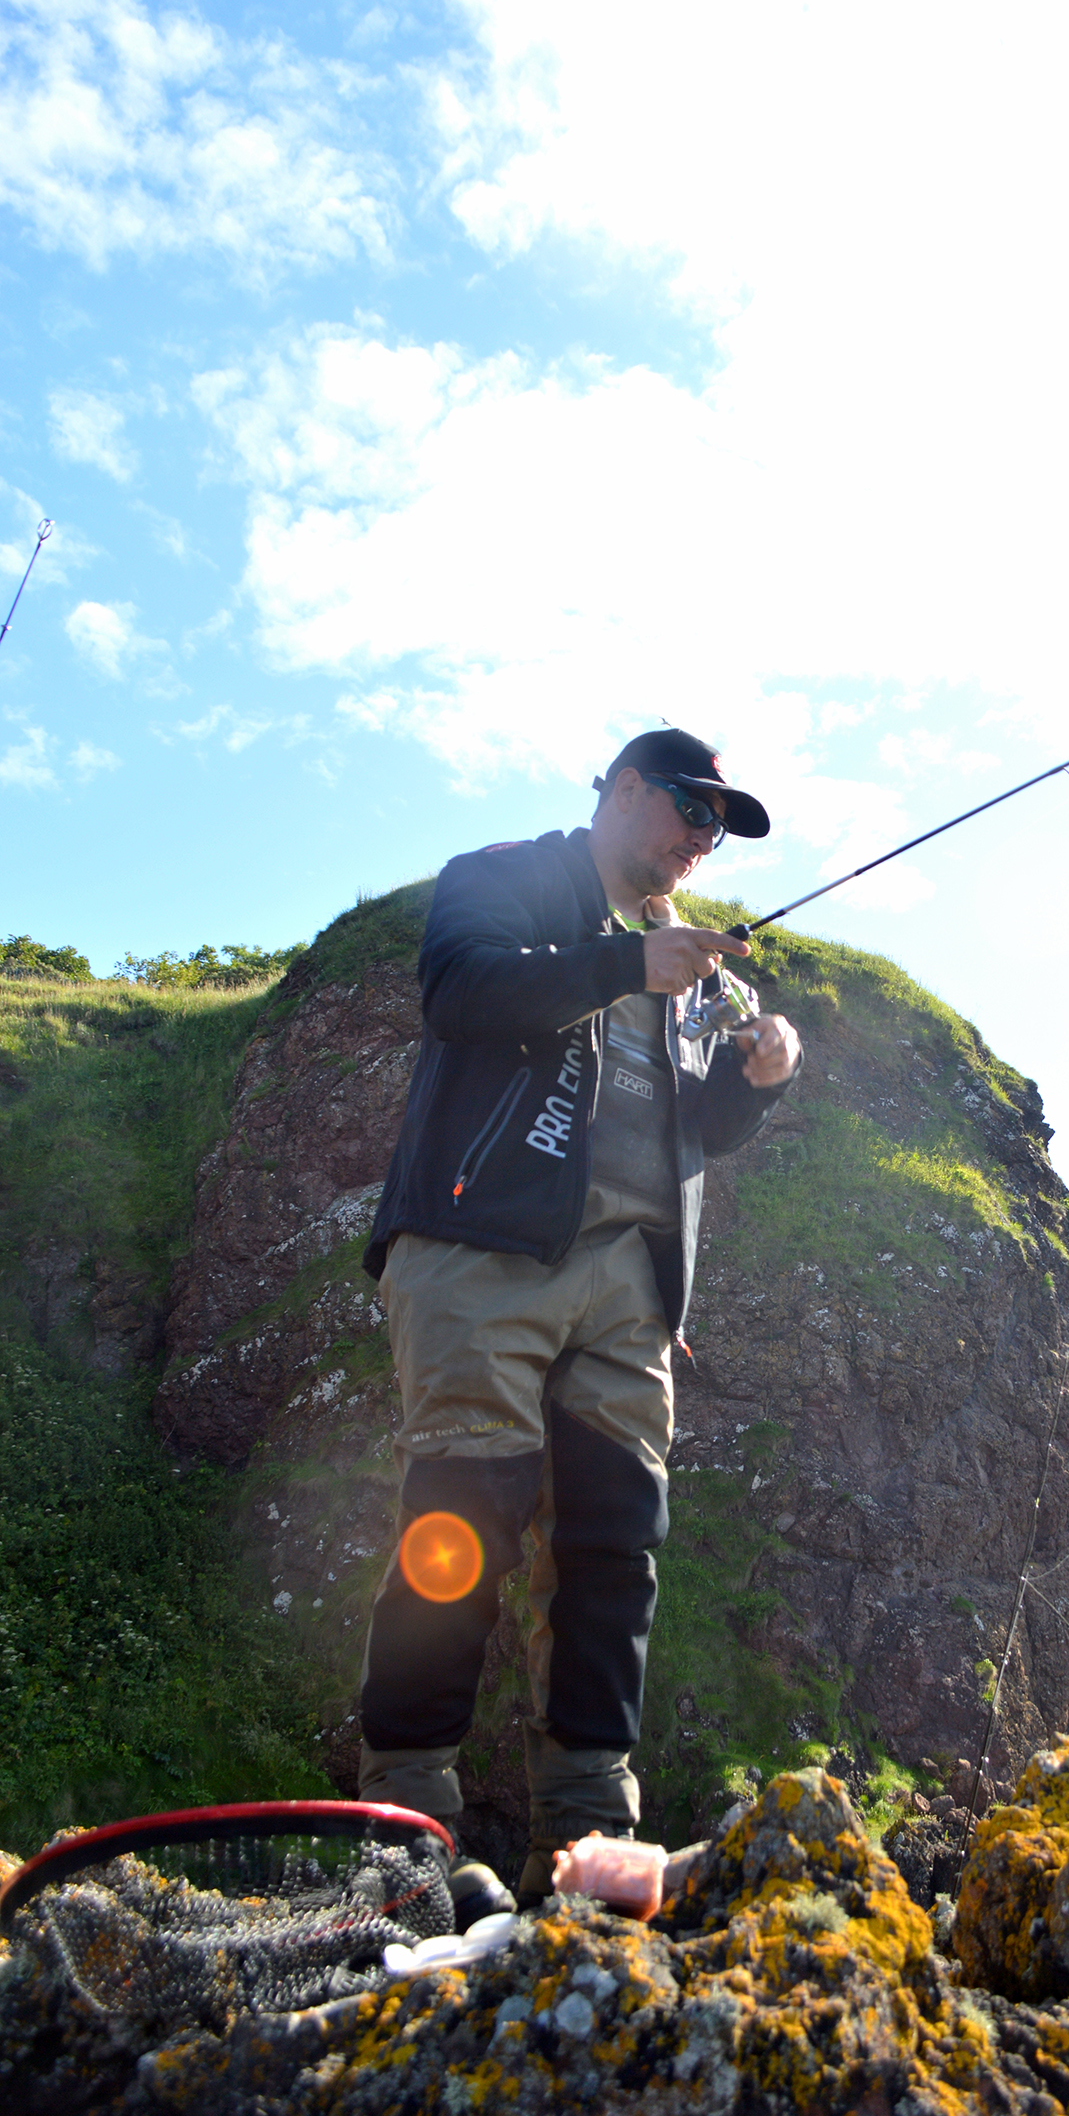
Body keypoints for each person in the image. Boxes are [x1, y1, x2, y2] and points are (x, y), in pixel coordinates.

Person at [357, 728, 802, 1911]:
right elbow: (458, 992)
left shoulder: (698, 969)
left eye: (719, 826)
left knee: (617, 1542)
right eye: (690, 808)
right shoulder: (506, 876)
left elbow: (687, 1131)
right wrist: (623, 968)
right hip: (477, 1250)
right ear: (620, 790)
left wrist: (750, 1085)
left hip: (630, 1284)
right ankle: (406, 1829)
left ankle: (594, 1846)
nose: (701, 839)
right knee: (461, 1520)